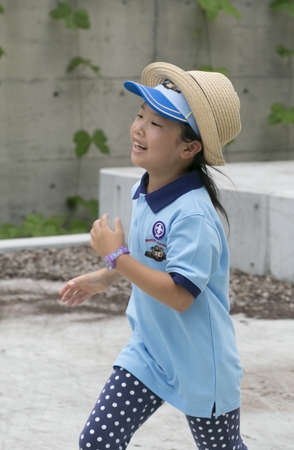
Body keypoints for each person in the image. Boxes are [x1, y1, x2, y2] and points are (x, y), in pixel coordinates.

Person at [59, 62, 248, 450]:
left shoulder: (194, 216)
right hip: (149, 351)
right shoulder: (145, 190)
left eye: (157, 124)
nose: (139, 128)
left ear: (189, 147)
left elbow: (180, 294)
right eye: (140, 115)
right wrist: (105, 276)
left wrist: (117, 257)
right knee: (98, 441)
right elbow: (151, 259)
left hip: (200, 364)